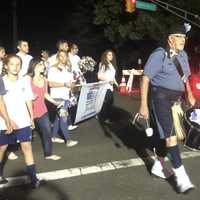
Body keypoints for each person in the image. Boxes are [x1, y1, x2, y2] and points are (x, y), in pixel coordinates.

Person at [138, 23, 195, 193]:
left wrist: (190, 94)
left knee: (171, 137)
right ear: (170, 39)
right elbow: (145, 78)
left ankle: (158, 166)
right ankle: (183, 180)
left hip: (176, 101)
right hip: (160, 98)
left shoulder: (183, 55)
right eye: (179, 36)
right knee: (170, 137)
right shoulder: (159, 54)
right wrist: (143, 105)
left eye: (184, 37)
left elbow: (185, 78)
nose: (183, 40)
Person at [0, 54, 43, 188]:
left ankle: (33, 178)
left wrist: (31, 117)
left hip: (23, 120)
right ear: (6, 66)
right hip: (4, 121)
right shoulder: (1, 80)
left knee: (27, 148)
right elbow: (0, 102)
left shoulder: (25, 81)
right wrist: (8, 120)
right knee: (2, 148)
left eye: (18, 64)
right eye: (12, 64)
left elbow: (28, 99)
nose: (15, 67)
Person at [27, 58, 61, 160]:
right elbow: (21, 93)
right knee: (23, 136)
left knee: (47, 132)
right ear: (34, 66)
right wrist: (29, 96)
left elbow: (45, 94)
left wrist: (55, 102)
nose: (43, 66)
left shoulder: (44, 79)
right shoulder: (27, 78)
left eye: (43, 65)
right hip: (28, 111)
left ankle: (48, 154)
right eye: (41, 64)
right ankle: (9, 150)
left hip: (42, 110)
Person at [48, 50, 78, 146]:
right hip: (57, 97)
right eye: (61, 56)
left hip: (65, 96)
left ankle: (53, 136)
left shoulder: (67, 68)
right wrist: (64, 84)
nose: (63, 58)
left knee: (58, 118)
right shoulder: (53, 69)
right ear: (57, 57)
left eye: (65, 56)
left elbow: (71, 82)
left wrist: (73, 85)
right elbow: (51, 84)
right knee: (64, 117)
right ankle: (68, 140)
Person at [97, 49, 118, 123]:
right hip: (104, 86)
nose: (111, 56)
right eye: (109, 55)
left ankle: (105, 117)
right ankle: (103, 118)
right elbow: (99, 76)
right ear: (105, 56)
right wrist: (109, 81)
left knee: (109, 102)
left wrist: (117, 84)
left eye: (112, 55)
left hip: (110, 86)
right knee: (107, 102)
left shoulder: (111, 64)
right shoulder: (103, 64)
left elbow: (112, 77)